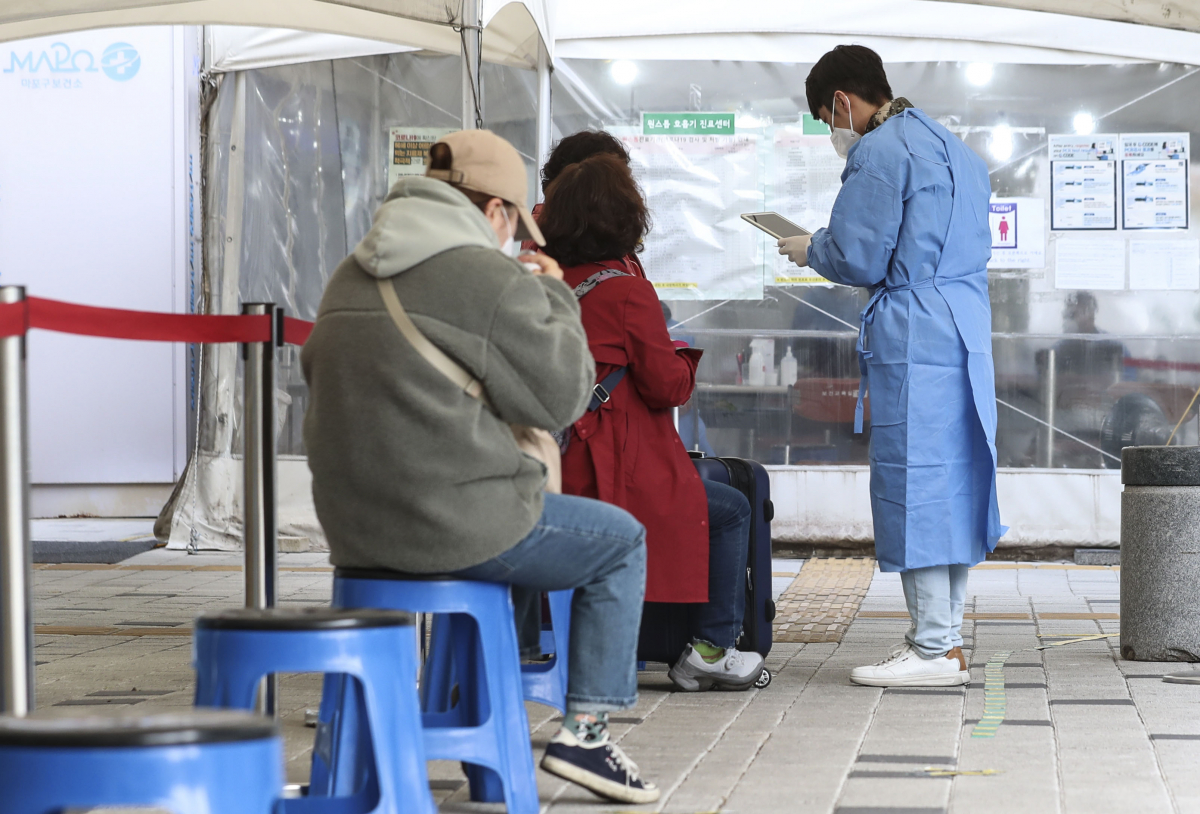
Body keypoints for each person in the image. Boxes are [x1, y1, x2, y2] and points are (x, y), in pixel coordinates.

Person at [301, 129, 659, 803]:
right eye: (513, 223)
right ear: (494, 211)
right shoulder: (481, 274)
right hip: (451, 528)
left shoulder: (350, 270)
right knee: (619, 541)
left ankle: (477, 709)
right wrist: (555, 297)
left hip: (354, 535)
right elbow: (561, 397)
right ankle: (586, 735)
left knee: (527, 510)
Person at [777, 45, 1004, 687]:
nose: (832, 132)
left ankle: (932, 650)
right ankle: (949, 641)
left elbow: (858, 258)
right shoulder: (952, 146)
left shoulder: (880, 152)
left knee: (914, 482)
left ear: (843, 102)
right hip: (966, 325)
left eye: (827, 119)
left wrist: (807, 248)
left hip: (916, 332)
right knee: (953, 479)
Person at [538, 152, 766, 692]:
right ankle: (711, 647)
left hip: (555, 460)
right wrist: (684, 357)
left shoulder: (545, 280)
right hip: (614, 466)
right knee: (731, 509)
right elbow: (666, 385)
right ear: (624, 219)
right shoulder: (625, 290)